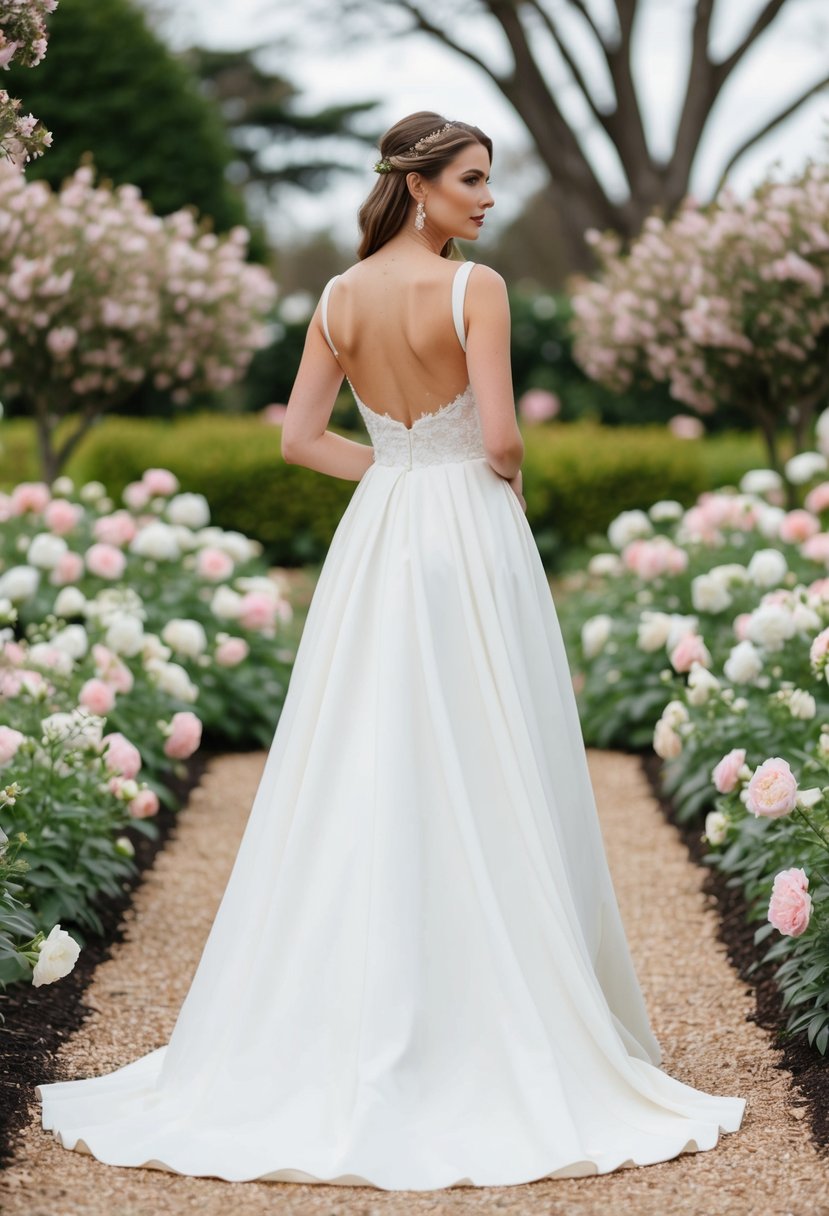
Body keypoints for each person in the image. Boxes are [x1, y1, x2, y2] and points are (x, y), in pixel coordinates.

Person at [36, 110, 745, 1191]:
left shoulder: (335, 295)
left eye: (486, 181)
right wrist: (485, 481)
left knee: (368, 743)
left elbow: (296, 439)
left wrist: (393, 475)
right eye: (470, 180)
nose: (486, 198)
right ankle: (504, 999)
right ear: (418, 186)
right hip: (470, 526)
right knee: (490, 737)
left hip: (384, 530)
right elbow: (502, 437)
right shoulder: (478, 289)